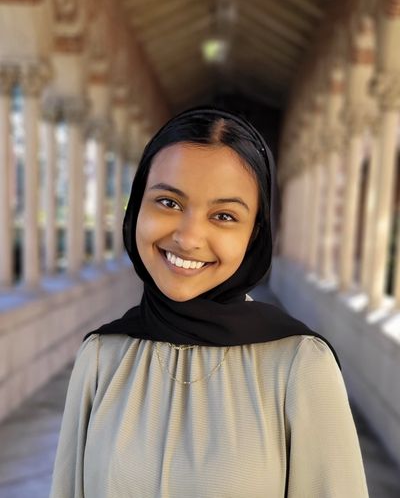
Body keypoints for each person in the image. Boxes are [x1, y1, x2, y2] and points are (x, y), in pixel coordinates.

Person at [49, 107, 369, 497]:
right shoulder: (101, 357)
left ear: (254, 234)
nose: (188, 237)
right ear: (136, 208)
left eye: (223, 215)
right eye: (168, 203)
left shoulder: (299, 365)